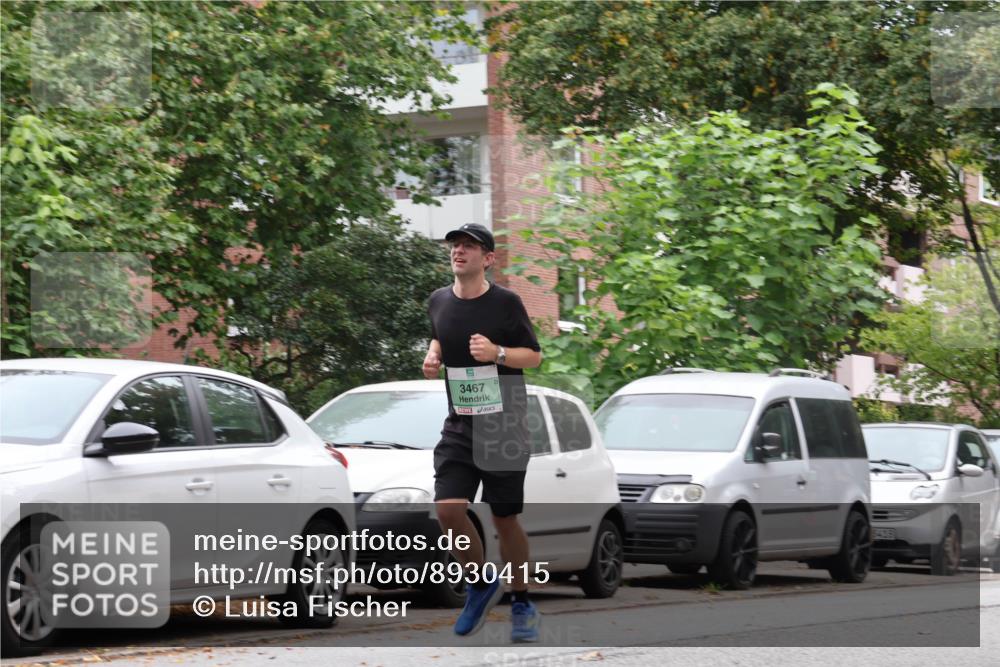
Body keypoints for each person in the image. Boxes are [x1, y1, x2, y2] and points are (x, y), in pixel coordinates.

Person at [423, 223, 543, 642]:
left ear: (488, 258)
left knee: (504, 518)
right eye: (455, 245)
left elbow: (535, 357)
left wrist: (499, 353)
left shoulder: (506, 303)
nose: (459, 251)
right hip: (460, 423)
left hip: (504, 423)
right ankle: (480, 583)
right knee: (448, 510)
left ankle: (522, 601)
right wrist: (432, 355)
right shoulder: (438, 301)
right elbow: (440, 335)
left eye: (469, 246)